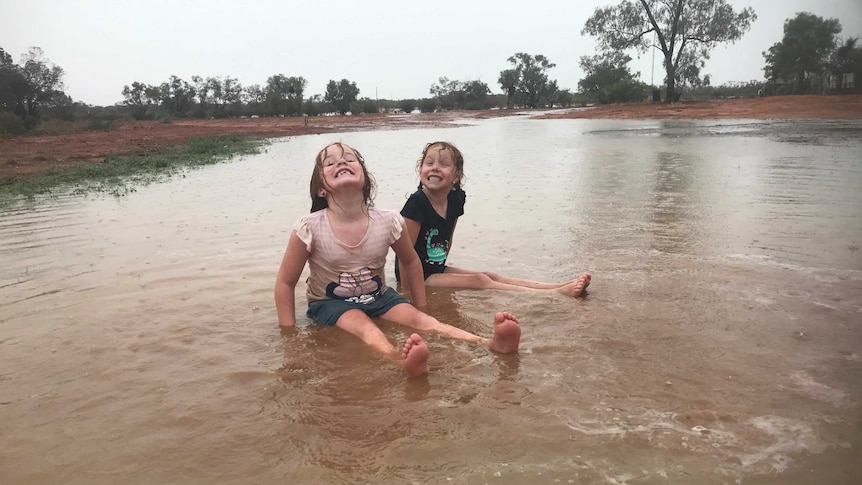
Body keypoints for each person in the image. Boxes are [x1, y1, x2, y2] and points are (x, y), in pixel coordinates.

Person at [274, 142, 521, 377]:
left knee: (423, 321)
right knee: (365, 327)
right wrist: (290, 335)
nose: (342, 162)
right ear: (320, 187)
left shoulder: (388, 221)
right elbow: (285, 283)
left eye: (350, 159)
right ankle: (400, 360)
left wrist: (420, 305)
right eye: (330, 163)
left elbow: (411, 262)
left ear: (365, 180)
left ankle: (490, 343)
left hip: (380, 296)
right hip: (330, 303)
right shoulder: (309, 228)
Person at [396, 141, 591, 296]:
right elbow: (405, 255)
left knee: (490, 275)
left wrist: (444, 270)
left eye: (444, 164)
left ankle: (556, 285)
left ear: (457, 176)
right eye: (429, 163)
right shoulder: (416, 204)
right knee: (480, 281)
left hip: (435, 268)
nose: (435, 168)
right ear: (420, 170)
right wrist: (407, 292)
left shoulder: (455, 199)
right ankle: (555, 294)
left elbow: (449, 237)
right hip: (417, 276)